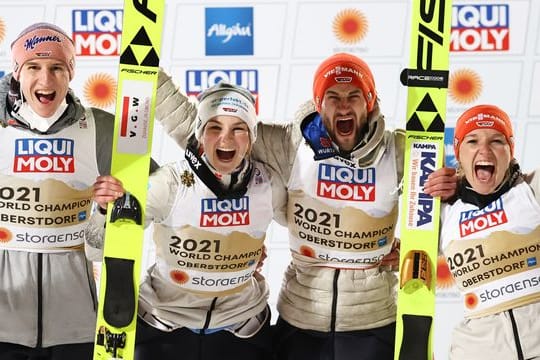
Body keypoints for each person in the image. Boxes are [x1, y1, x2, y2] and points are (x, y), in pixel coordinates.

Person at [153, 52, 457, 359]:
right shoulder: (290, 144)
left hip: (373, 320)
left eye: (353, 95)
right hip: (302, 320)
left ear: (370, 102)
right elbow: (207, 133)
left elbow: (447, 223)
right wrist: (147, 73)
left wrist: (446, 198)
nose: (343, 105)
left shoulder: (400, 151)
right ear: (318, 103)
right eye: (332, 96)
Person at [85, 82, 280, 360]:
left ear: (251, 137)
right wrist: (105, 213)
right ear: (199, 134)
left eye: (239, 128)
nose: (226, 139)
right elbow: (95, 249)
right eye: (214, 127)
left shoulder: (269, 184)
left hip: (241, 330)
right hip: (164, 330)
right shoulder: (170, 183)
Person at [0, 22, 116, 359]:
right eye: (33, 67)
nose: (46, 80)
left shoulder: (100, 129)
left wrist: (110, 210)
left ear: (71, 73)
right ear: (17, 73)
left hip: (75, 322)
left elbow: (157, 200)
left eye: (57, 68)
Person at [429, 104, 540, 360]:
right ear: (458, 153)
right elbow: (405, 257)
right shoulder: (443, 211)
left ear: (510, 151)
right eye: (472, 141)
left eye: (497, 141)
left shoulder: (531, 190)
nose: (484, 150)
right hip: (478, 351)